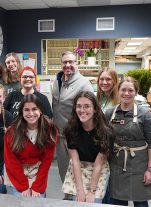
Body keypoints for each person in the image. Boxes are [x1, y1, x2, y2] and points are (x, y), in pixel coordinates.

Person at [104, 77, 151, 207]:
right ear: (118, 91)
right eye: (123, 90)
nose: (126, 93)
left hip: (139, 167)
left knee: (140, 202)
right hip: (116, 166)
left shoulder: (145, 114)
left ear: (136, 92)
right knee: (116, 202)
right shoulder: (110, 113)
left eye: (130, 90)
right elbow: (104, 139)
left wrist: (150, 170)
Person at [51, 51, 94, 199]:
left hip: (76, 136)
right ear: (61, 64)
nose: (68, 65)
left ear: (77, 63)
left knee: (78, 172)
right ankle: (69, 198)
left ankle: (78, 199)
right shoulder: (57, 81)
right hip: (60, 136)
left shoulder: (84, 84)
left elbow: (90, 110)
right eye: (64, 62)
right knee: (64, 171)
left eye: (71, 62)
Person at [62, 91, 113, 203]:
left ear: (95, 109)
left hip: (98, 169)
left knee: (93, 201)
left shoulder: (106, 132)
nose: (82, 110)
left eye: (87, 106)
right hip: (78, 167)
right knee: (77, 199)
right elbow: (75, 161)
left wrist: (92, 191)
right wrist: (80, 190)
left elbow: (98, 164)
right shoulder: (70, 130)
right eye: (79, 106)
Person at [4, 94, 58, 198]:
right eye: (27, 110)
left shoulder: (50, 130)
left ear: (41, 110)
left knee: (38, 201)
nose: (31, 113)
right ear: (22, 112)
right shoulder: (11, 132)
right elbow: (11, 162)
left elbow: (46, 162)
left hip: (38, 172)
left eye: (34, 109)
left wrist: (37, 187)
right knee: (22, 201)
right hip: (17, 172)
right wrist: (24, 187)